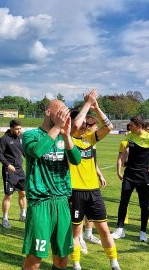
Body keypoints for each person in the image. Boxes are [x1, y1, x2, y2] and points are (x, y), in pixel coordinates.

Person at [22, 99, 81, 270]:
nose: (64, 115)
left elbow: (76, 160)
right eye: (60, 111)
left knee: (62, 258)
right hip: (40, 202)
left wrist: (67, 135)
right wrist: (57, 128)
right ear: (48, 112)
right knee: (35, 259)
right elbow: (37, 152)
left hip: (62, 201)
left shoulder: (64, 137)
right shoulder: (30, 135)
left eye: (66, 111)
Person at [68, 90, 121, 270]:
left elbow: (109, 127)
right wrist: (86, 105)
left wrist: (96, 107)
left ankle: (114, 263)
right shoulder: (67, 139)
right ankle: (76, 265)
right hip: (75, 191)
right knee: (76, 231)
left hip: (93, 191)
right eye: (83, 122)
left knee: (104, 229)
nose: (85, 125)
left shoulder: (90, 138)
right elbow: (74, 126)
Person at [112, 116, 149, 242]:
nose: (129, 127)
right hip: (129, 175)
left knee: (144, 205)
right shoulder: (130, 136)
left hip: (143, 176)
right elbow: (124, 148)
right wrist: (122, 160)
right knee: (123, 201)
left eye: (132, 125)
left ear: (139, 127)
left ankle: (143, 232)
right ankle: (120, 229)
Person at [77, 114, 103, 255]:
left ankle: (88, 234)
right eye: (95, 126)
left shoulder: (93, 142)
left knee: (90, 211)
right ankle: (79, 237)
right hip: (79, 183)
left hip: (91, 181)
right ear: (88, 126)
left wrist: (99, 174)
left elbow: (92, 161)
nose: (97, 128)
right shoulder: (79, 140)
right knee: (79, 213)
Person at [0, 119, 26, 228]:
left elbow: (24, 152)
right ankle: (5, 218)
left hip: (20, 170)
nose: (19, 131)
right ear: (12, 128)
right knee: (8, 196)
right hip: (9, 171)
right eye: (17, 129)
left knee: (23, 193)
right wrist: (7, 165)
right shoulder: (4, 139)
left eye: (20, 129)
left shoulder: (21, 138)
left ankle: (23, 214)